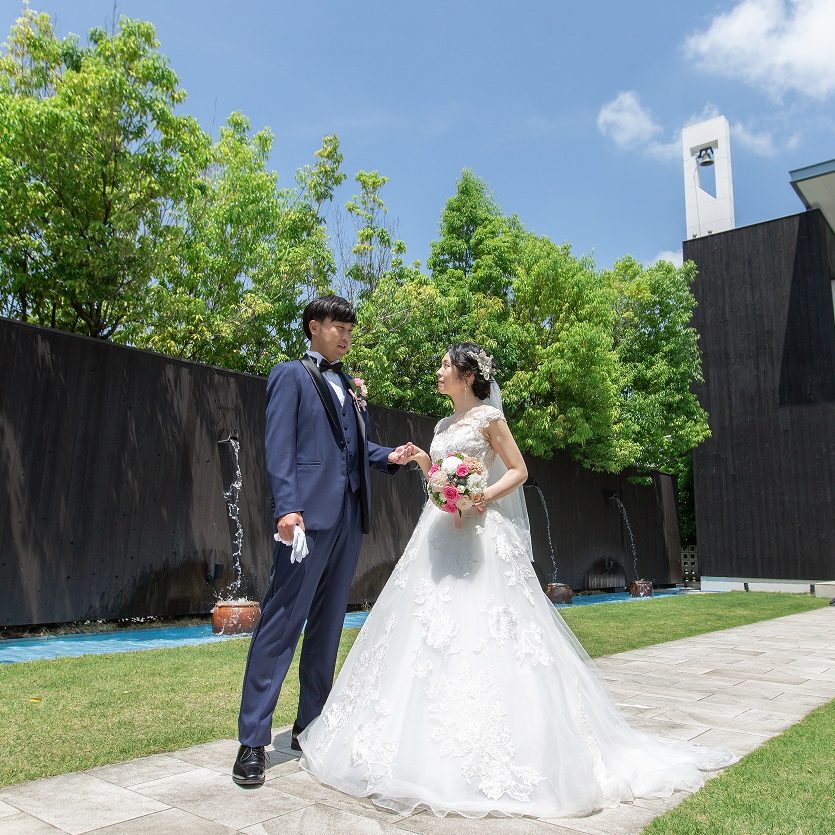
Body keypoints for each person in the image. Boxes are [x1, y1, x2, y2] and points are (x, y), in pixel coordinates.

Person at [297, 341, 736, 818]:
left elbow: (519, 470)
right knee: (425, 629)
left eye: (445, 366)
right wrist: (425, 463)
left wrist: (481, 495)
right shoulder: (442, 426)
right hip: (439, 533)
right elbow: (440, 481)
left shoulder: (489, 419)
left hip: (481, 534)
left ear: (467, 376)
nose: (438, 372)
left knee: (489, 629)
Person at [233, 295, 413, 787]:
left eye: (350, 329)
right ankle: (253, 741)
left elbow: (352, 450)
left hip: (349, 520)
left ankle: (309, 727)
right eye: (338, 327)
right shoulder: (289, 375)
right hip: (306, 521)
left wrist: (389, 456)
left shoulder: (350, 386)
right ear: (314, 327)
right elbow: (279, 445)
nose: (346, 336)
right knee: (280, 624)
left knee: (328, 627)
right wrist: (286, 507)